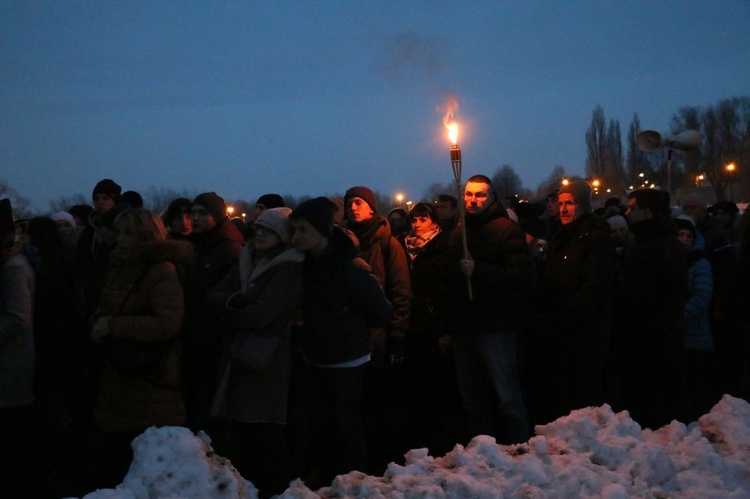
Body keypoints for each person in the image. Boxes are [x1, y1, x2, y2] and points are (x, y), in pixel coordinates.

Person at [289, 197, 392, 485]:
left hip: (347, 359)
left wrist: (345, 325)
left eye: (302, 230)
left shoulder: (349, 268)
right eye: (293, 231)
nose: (296, 238)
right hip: (317, 357)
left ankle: (355, 481)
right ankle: (329, 478)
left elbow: (381, 311)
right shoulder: (307, 265)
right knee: (322, 422)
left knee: (346, 425)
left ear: (322, 231)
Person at [88, 209, 190, 489]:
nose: (121, 239)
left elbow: (167, 323)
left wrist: (114, 326)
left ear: (146, 235)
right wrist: (98, 321)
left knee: (135, 467)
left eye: (129, 233)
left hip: (148, 381)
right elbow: (105, 306)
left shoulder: (161, 271)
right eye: (120, 232)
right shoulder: (120, 265)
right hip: (119, 376)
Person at [206, 208, 304, 498]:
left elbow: (262, 315)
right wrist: (239, 302)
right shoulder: (247, 260)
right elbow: (212, 297)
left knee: (264, 430)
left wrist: (233, 309)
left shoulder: (289, 268)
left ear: (283, 236)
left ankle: (276, 490)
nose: (259, 234)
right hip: (239, 356)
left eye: (269, 230)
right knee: (242, 429)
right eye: (258, 228)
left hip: (267, 359)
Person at [445, 175, 532, 444]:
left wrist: (479, 271)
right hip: (464, 327)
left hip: (495, 326)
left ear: (492, 197)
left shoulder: (506, 230)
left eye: (480, 195)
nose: (473, 200)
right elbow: (449, 279)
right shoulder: (459, 232)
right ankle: (481, 451)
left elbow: (519, 276)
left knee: (507, 397)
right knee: (472, 399)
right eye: (469, 194)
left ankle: (520, 448)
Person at [530, 181, 615, 425]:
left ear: (583, 206)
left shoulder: (596, 238)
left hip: (584, 330)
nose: (564, 209)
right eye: (561, 203)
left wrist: (561, 315)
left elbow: (593, 287)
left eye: (571, 203)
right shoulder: (561, 236)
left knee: (584, 394)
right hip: (560, 329)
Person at [343, 185, 411, 472]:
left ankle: (384, 461)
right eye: (349, 204)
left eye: (359, 203)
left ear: (372, 207)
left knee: (379, 404)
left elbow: (401, 291)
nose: (353, 208)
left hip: (378, 338)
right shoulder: (342, 243)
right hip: (349, 339)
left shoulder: (387, 243)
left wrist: (396, 335)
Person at [615, 189, 690, 429]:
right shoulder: (642, 241)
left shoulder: (663, 245)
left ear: (646, 212)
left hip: (656, 335)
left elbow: (670, 292)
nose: (627, 212)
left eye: (631, 208)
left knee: (658, 393)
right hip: (643, 333)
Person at [401, 202, 463, 455]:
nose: (416, 225)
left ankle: (442, 440)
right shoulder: (405, 247)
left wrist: (446, 327)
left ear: (433, 222)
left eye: (422, 220)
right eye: (414, 220)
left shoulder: (443, 246)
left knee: (438, 384)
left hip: (434, 323)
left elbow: (449, 288)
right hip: (412, 323)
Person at [183, 192, 243, 442]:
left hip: (212, 340)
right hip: (197, 335)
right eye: (192, 213)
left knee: (211, 402)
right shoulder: (202, 245)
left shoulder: (228, 249)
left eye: (202, 213)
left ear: (217, 217)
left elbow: (229, 297)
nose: (194, 219)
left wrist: (212, 332)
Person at [0, 199, 37, 496]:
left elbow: (17, 318)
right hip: (9, 365)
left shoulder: (12, 266)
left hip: (11, 367)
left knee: (11, 440)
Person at [674, 215, 719, 421]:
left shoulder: (699, 263)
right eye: (680, 234)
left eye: (688, 235)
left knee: (695, 384)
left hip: (695, 335)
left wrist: (679, 317)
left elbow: (702, 296)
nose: (684, 239)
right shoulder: (674, 260)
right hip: (678, 336)